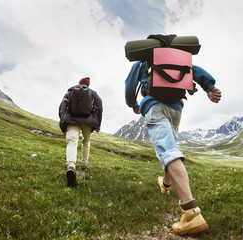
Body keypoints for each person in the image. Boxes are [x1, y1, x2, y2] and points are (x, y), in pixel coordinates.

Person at [125, 60, 221, 235]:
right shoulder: (176, 58)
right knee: (170, 148)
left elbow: (130, 85)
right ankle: (165, 184)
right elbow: (195, 70)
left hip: (154, 105)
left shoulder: (143, 60)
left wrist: (133, 104)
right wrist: (209, 87)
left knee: (168, 151)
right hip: (176, 108)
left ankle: (191, 212)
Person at [59, 77, 103, 187]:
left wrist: (63, 120)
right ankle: (84, 165)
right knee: (86, 141)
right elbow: (100, 107)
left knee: (72, 142)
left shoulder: (70, 92)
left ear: (79, 83)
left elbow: (62, 108)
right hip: (88, 121)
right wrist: (98, 124)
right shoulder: (93, 93)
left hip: (71, 119)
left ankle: (71, 166)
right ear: (88, 84)